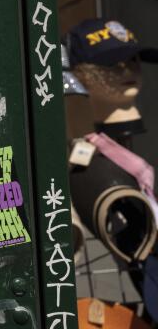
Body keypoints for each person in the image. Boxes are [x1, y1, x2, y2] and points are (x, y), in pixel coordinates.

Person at [65, 17, 158, 321]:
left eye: (133, 60)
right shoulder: (86, 157)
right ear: (82, 74)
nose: (128, 71)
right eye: (114, 64)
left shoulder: (128, 147)